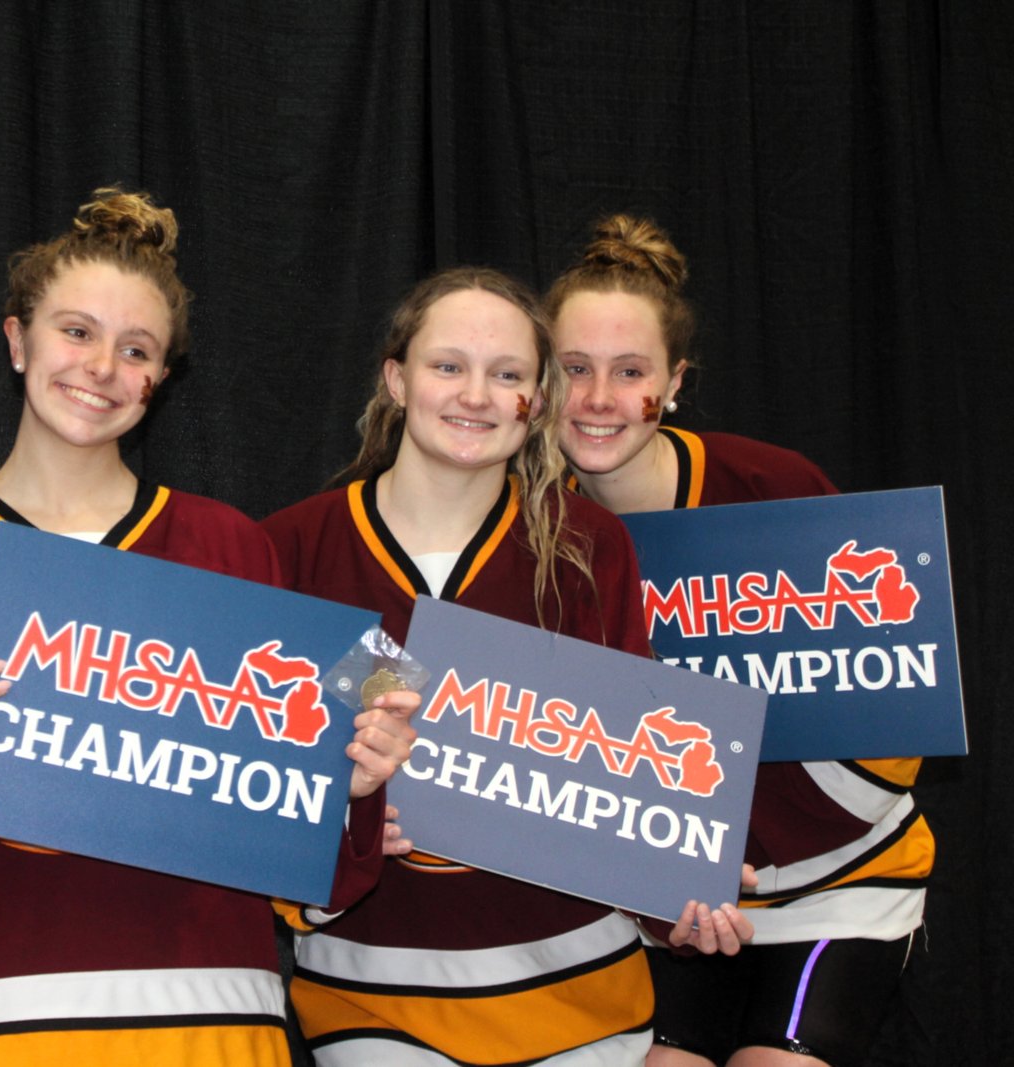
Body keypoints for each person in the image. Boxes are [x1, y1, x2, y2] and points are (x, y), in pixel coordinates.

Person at [0, 188, 416, 1066]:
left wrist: (353, 782)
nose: (101, 368)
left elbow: (316, 874)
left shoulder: (229, 545)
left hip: (217, 1016)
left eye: (137, 349)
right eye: (75, 332)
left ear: (162, 378)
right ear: (17, 339)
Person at [263, 266, 749, 1067]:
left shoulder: (591, 548)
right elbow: (255, 779)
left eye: (509, 374)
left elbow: (638, 773)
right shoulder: (289, 549)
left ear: (539, 398)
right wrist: (332, 814)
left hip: (584, 998)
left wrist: (685, 896)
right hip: (370, 999)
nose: (476, 396)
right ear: (396, 378)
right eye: (448, 365)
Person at [546, 215, 934, 1067]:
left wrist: (759, 848)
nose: (599, 399)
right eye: (573, 369)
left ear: (675, 381)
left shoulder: (772, 488)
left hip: (841, 882)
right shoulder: (537, 536)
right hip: (669, 904)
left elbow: (901, 693)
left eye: (631, 371)